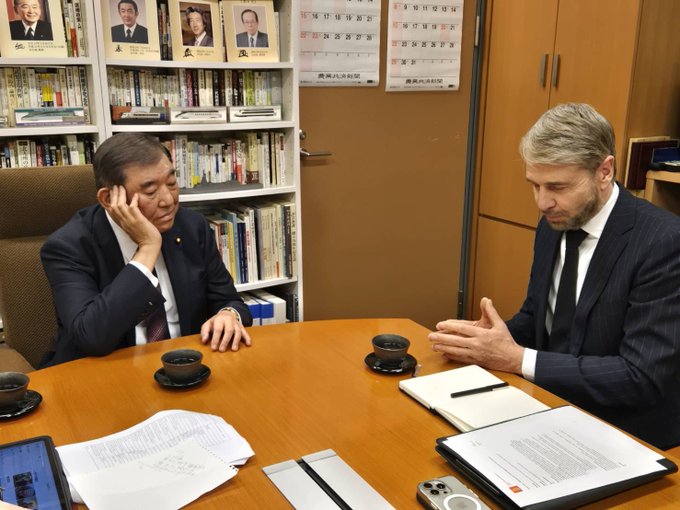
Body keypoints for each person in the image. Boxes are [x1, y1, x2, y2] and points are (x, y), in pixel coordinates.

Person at [429, 103, 680, 450]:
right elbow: (538, 319)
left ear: (604, 171)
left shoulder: (663, 242)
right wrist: (487, 340)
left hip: (625, 433)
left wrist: (515, 358)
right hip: (548, 408)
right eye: (535, 185)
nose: (542, 202)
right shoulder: (554, 224)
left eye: (557, 187)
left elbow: (641, 377)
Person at [40, 133, 252, 367]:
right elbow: (92, 338)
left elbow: (230, 301)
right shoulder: (68, 247)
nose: (168, 200)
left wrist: (228, 314)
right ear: (109, 199)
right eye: (150, 192)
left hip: (183, 368)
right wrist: (148, 248)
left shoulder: (192, 227)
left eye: (171, 183)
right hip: (105, 371)